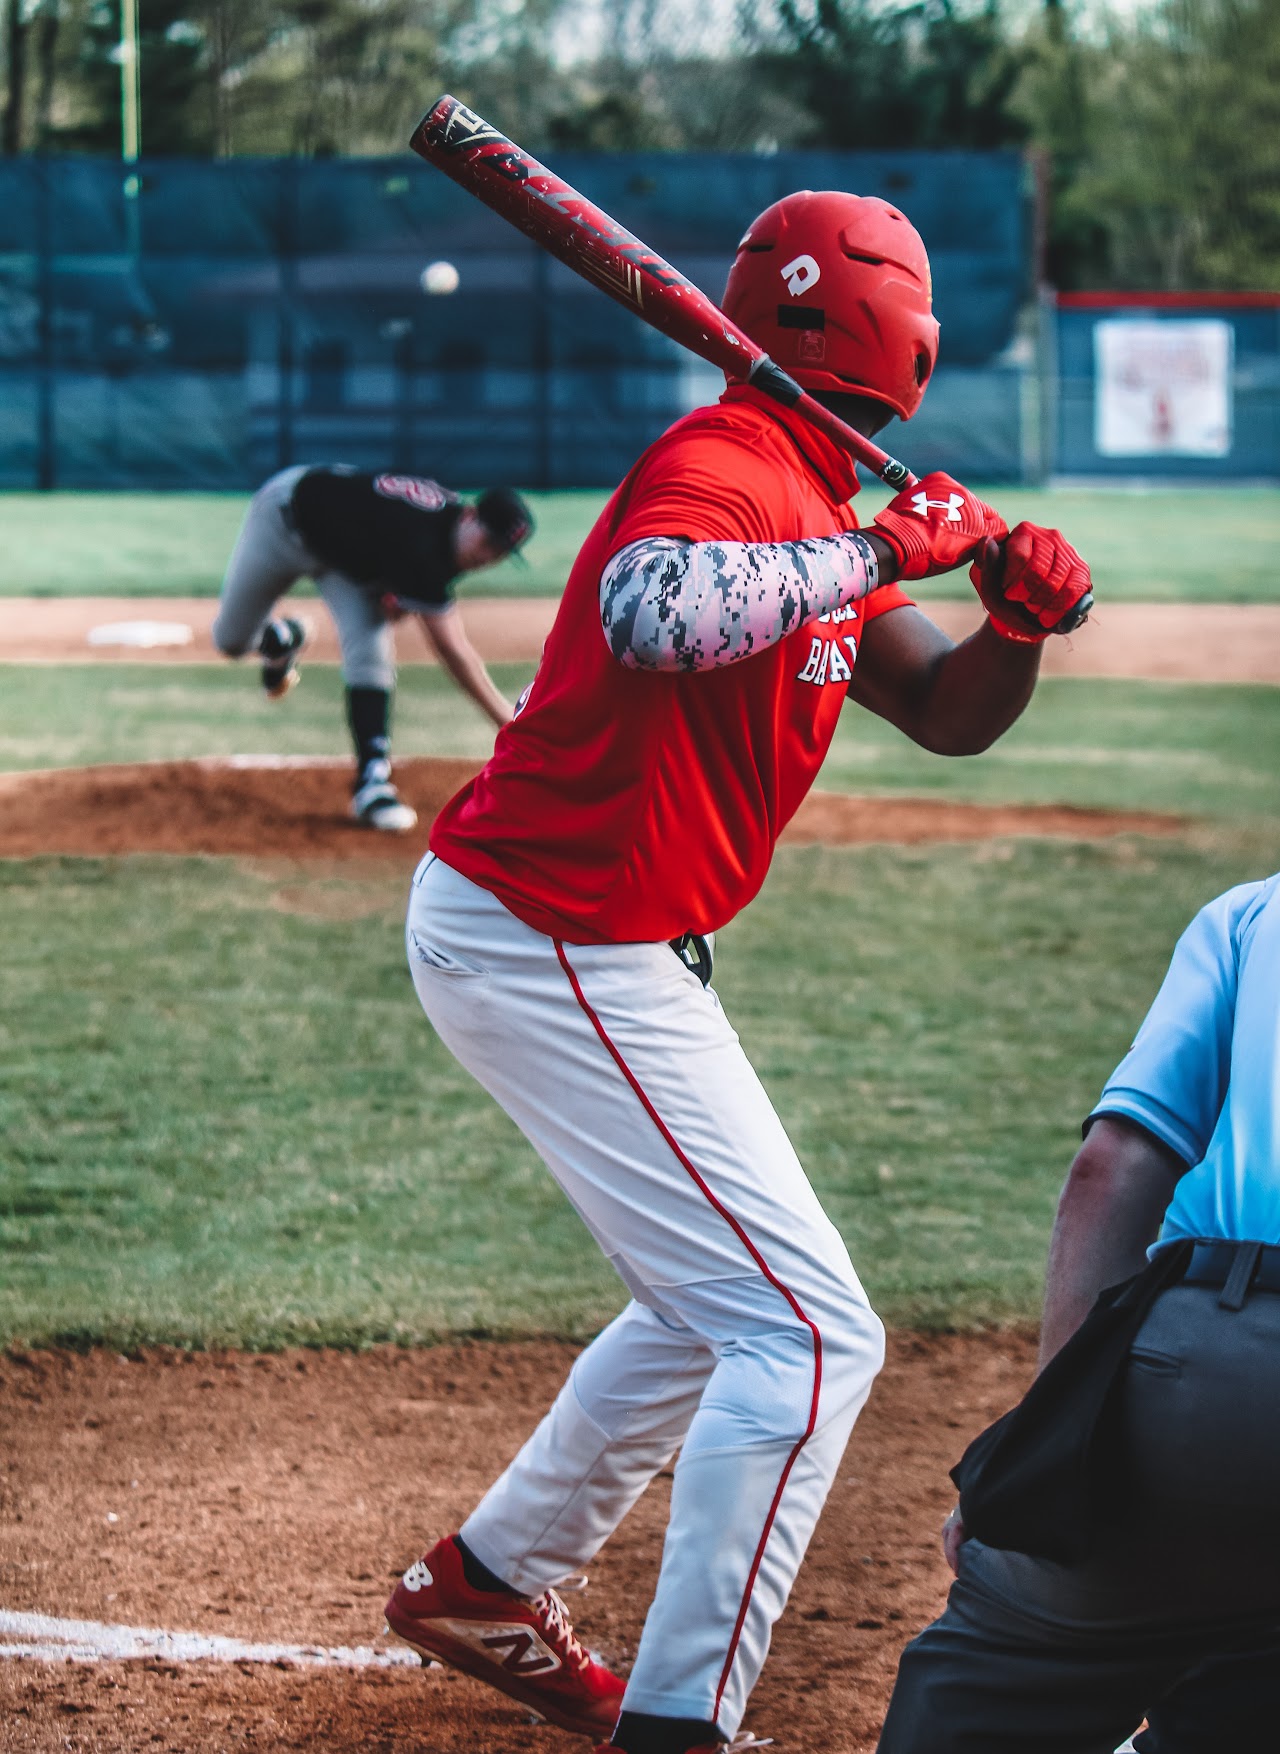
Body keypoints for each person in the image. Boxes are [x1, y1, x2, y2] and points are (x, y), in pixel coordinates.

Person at [383, 192, 1093, 1754]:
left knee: (717, 1307)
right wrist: (871, 545)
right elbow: (654, 611)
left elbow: (950, 710)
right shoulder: (725, 466)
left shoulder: (811, 481)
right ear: (888, 330)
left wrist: (1015, 626)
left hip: (593, 936)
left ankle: (490, 1583)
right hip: (551, 926)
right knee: (813, 1332)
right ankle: (681, 1724)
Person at [876, 871, 1280, 1754]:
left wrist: (1049, 1450)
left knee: (993, 1686)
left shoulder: (1254, 916)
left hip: (1220, 1384)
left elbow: (1115, 1167)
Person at [211, 467, 533, 831]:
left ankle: (372, 780)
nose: (489, 557)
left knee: (372, 649)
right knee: (231, 641)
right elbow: (453, 649)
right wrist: (507, 723)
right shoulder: (425, 541)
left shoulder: (451, 539)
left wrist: (392, 587)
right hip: (285, 519)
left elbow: (385, 551)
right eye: (489, 542)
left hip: (341, 560)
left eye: (502, 553)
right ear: (470, 515)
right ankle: (281, 639)